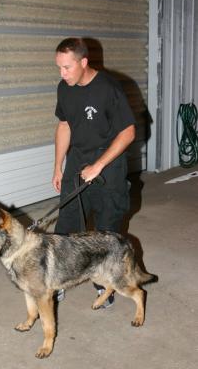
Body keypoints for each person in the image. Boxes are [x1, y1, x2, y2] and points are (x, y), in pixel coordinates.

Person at [52, 37, 136, 307]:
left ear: (83, 62)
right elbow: (64, 126)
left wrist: (99, 165)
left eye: (67, 67)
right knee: (65, 228)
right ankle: (59, 281)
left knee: (105, 231)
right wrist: (57, 165)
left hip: (108, 167)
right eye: (59, 68)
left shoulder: (108, 88)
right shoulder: (64, 89)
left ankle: (104, 286)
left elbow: (128, 132)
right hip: (77, 164)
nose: (62, 74)